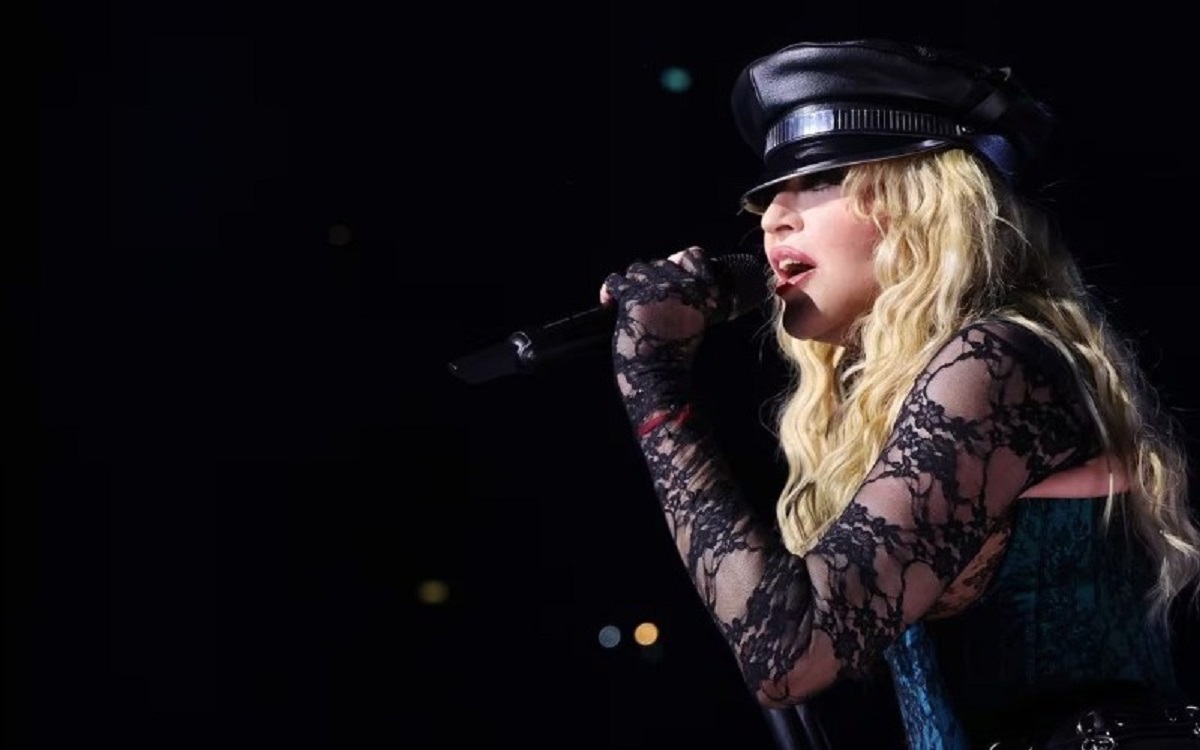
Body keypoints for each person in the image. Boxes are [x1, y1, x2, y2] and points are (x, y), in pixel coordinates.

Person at [598, 38, 1200, 749]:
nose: (772, 217)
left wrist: (654, 377)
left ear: (923, 201)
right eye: (768, 195)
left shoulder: (996, 362)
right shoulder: (915, 396)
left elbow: (789, 657)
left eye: (820, 179)